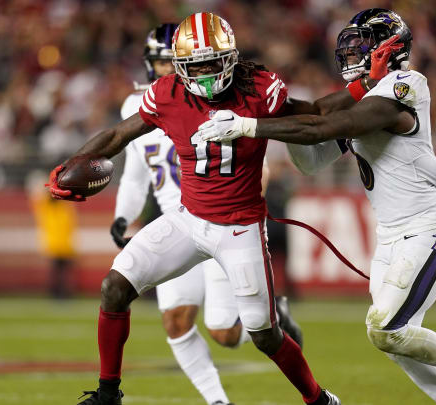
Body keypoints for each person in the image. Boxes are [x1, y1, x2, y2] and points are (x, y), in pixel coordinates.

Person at [197, 9, 436, 405]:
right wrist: (273, 108)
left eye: (361, 45)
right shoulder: (373, 93)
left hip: (429, 229)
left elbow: (323, 125)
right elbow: (311, 156)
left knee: (387, 329)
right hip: (391, 236)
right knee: (395, 339)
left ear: (388, 49)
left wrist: (250, 125)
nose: (351, 54)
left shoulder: (405, 85)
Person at [47, 12, 354, 405]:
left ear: (231, 59)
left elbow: (311, 116)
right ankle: (108, 394)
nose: (206, 74)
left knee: (264, 335)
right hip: (188, 219)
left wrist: (358, 95)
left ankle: (319, 400)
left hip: (240, 228)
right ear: (180, 67)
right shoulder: (168, 92)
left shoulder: (259, 87)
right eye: (197, 66)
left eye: (213, 63)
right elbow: (118, 134)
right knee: (114, 287)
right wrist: (69, 163)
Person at [110, 24, 300, 405]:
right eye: (162, 62)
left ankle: (273, 315)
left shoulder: (218, 97)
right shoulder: (141, 105)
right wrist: (122, 215)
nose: (167, 71)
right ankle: (217, 401)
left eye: (171, 62)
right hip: (176, 222)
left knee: (224, 332)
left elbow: (252, 148)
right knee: (175, 323)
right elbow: (135, 170)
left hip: (223, 219)